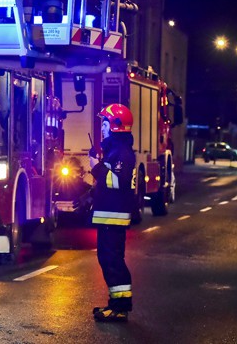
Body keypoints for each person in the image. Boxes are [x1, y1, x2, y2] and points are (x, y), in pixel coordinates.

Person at [90, 103, 136, 323]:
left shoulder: (122, 152)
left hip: (113, 217)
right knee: (108, 259)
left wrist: (96, 167)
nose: (103, 127)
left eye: (105, 123)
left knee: (112, 260)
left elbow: (116, 181)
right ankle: (116, 304)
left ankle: (120, 307)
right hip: (109, 216)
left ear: (116, 126)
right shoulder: (115, 149)